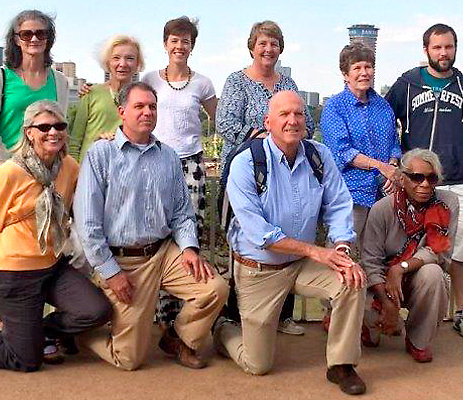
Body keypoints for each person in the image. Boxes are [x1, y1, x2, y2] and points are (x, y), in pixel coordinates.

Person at [0, 100, 111, 371]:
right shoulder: (9, 173)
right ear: (29, 132)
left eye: (59, 126)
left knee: (96, 310)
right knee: (25, 360)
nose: (53, 132)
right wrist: (0, 267)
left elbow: (94, 187)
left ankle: (41, 333)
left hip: (52, 266)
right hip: (16, 273)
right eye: (44, 127)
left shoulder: (69, 167)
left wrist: (106, 142)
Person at [214, 91, 367, 395]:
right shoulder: (246, 163)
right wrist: (315, 251)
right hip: (259, 268)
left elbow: (338, 205)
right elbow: (260, 234)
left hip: (301, 264)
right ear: (267, 122)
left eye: (298, 114)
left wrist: (340, 249)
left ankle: (341, 365)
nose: (292, 120)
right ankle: (222, 330)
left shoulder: (319, 156)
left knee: (351, 280)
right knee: (258, 364)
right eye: (284, 114)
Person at [74, 82, 228, 370]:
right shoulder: (101, 155)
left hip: (163, 253)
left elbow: (182, 212)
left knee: (214, 288)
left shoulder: (168, 156)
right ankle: (81, 334)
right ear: (122, 112)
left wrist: (189, 248)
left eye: (152, 106)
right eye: (139, 106)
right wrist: (110, 272)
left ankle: (180, 339)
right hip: (123, 262)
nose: (147, 112)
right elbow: (88, 223)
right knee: (130, 359)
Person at [384, 23, 463, 339]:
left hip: (460, 181)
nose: (443, 53)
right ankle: (402, 312)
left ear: (455, 48)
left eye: (449, 47)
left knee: (461, 250)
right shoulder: (409, 84)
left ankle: (461, 312)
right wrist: (397, 162)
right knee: (411, 247)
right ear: (426, 49)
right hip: (418, 182)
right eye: (437, 47)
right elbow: (385, 120)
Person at [215, 20, 314, 336]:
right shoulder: (237, 81)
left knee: (287, 237)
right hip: (244, 175)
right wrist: (262, 137)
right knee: (244, 242)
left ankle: (283, 315)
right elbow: (224, 123)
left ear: (280, 49)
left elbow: (306, 123)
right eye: (262, 43)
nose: (268, 49)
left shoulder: (289, 84)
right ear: (252, 47)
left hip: (286, 176)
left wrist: (290, 135)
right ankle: (235, 315)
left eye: (273, 44)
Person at [0, 9, 70, 334]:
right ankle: (1, 325)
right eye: (26, 34)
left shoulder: (59, 81)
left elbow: (60, 129)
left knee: (43, 248)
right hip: (4, 178)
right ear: (15, 39)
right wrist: (12, 173)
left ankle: (34, 328)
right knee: (2, 248)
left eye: (40, 33)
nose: (33, 39)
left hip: (45, 181)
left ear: (49, 38)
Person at [140, 16, 219, 328]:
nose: (179, 46)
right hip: (155, 162)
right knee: (158, 233)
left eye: (185, 41)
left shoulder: (202, 83)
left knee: (189, 236)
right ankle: (158, 314)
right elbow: (130, 107)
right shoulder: (150, 79)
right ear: (165, 44)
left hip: (191, 166)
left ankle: (185, 314)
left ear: (192, 46)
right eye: (174, 40)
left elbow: (220, 119)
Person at [319, 42, 400, 332]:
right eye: (357, 68)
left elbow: (394, 143)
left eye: (368, 67)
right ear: (345, 74)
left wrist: (391, 166)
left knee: (373, 257)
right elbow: (342, 152)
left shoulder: (383, 106)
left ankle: (365, 317)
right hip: (349, 195)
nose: (364, 72)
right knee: (343, 256)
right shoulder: (334, 108)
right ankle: (335, 315)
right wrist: (381, 166)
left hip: (382, 195)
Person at [361, 149, 456, 362]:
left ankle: (418, 340)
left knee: (433, 274)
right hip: (381, 281)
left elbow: (440, 252)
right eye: (416, 177)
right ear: (402, 178)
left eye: (431, 178)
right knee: (370, 331)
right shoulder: (383, 209)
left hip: (414, 275)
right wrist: (387, 303)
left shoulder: (446, 204)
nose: (424, 184)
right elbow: (370, 261)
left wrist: (401, 268)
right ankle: (371, 324)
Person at [68, 35, 144, 161]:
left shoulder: (141, 99)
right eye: (116, 58)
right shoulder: (90, 93)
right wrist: (75, 174)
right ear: (108, 63)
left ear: (138, 64)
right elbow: (75, 142)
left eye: (130, 58)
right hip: (88, 169)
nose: (122, 64)